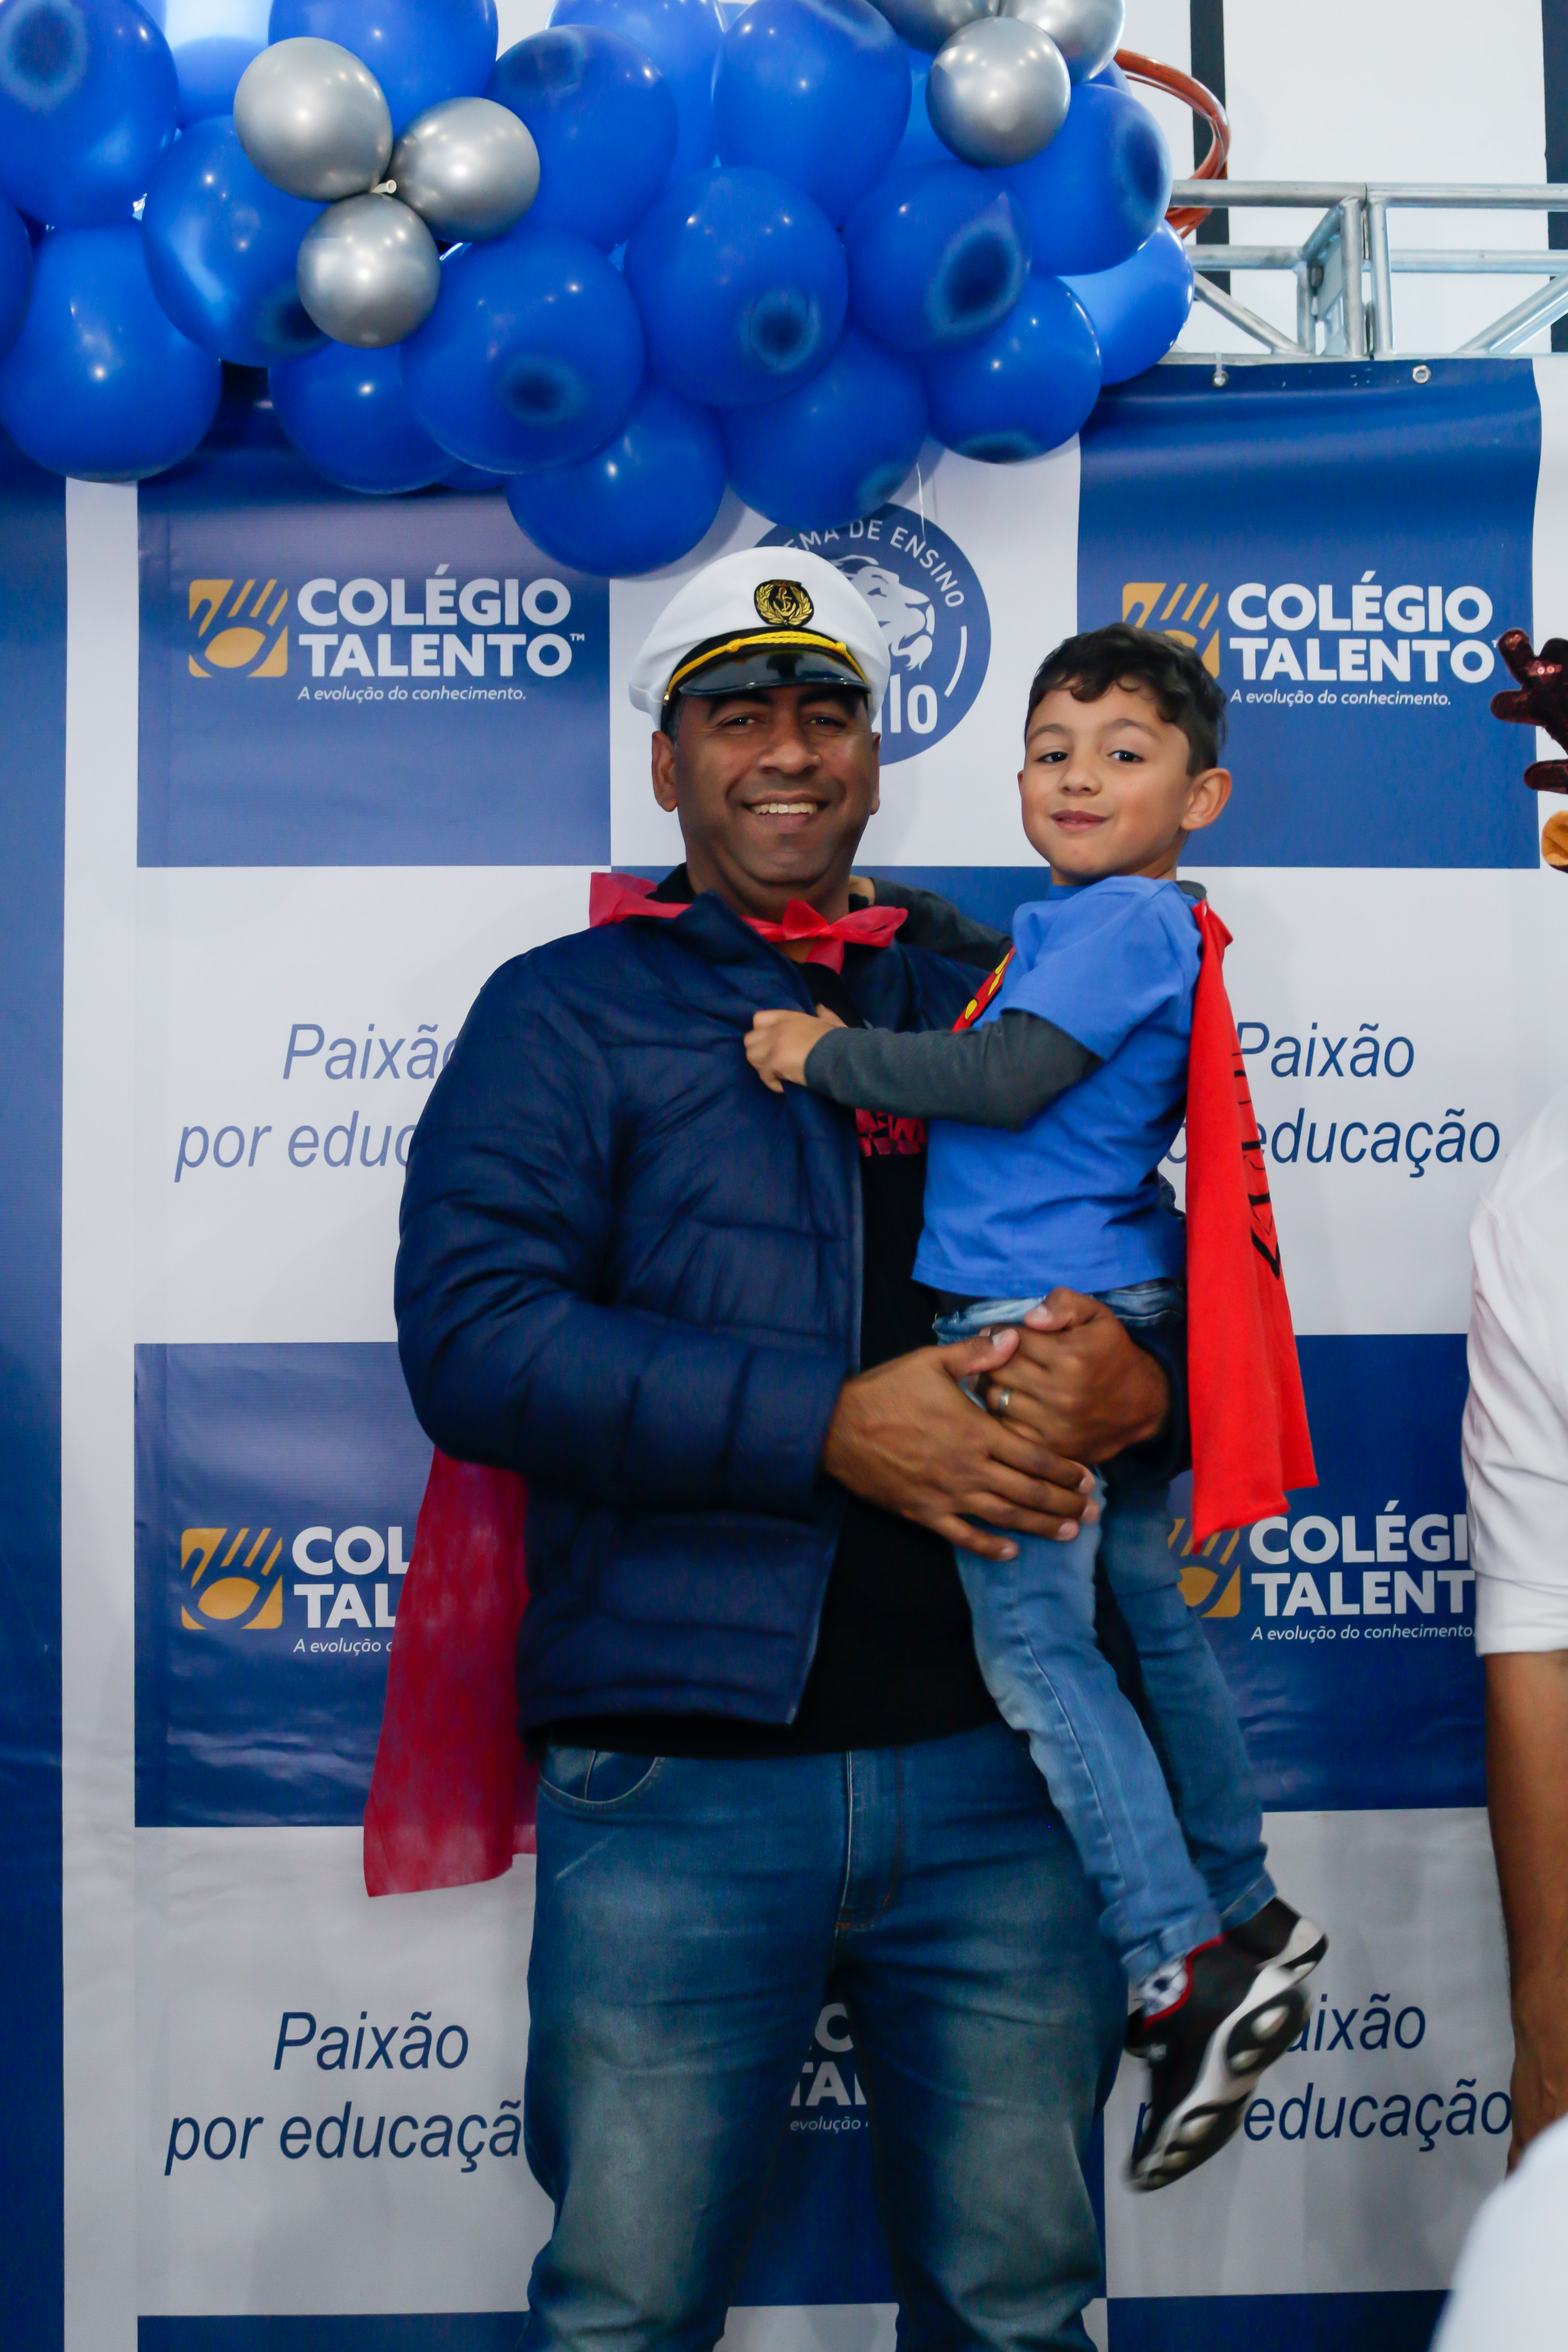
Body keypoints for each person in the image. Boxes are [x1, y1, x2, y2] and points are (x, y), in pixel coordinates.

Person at [395, 549, 1193, 2352]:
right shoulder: (561, 1009)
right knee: (625, 2314)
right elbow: (477, 1344)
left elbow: (1179, 1270)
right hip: (679, 1780)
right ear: (667, 762)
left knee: (1018, 2314)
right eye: (736, 715)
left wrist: (1147, 1394)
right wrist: (826, 1427)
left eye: (826, 712)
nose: (786, 750)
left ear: (874, 756)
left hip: (1011, 1777)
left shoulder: (998, 987)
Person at [745, 624, 1325, 2190]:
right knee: (1145, 1615)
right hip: (1099, 1299)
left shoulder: (1124, 925)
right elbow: (1014, 983)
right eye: (1053, 752)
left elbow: (1000, 1080)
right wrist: (919, 920)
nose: (1079, 778)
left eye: (1124, 755)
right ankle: (1246, 1904)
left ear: (1201, 797)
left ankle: (1176, 1965)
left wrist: (823, 1050)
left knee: (1038, 1653)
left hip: (1029, 1325)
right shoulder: (1105, 921)